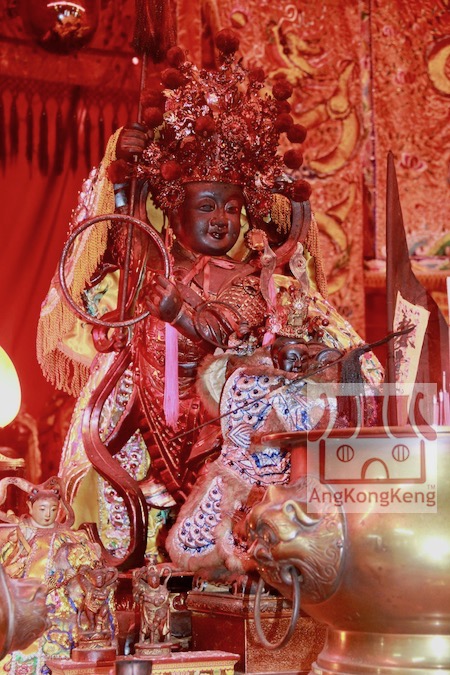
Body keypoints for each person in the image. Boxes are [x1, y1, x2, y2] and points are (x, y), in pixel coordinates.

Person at [38, 29, 381, 570]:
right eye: (206, 207)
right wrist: (123, 182)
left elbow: (230, 330)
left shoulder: (258, 280)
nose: (222, 220)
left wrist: (179, 312)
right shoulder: (151, 264)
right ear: (174, 211)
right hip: (146, 419)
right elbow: (115, 248)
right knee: (113, 492)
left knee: (227, 518)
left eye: (231, 209)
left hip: (221, 431)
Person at [0, 477, 103, 674]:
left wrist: (63, 579)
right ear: (30, 507)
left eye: (53, 509)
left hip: (59, 608)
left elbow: (87, 570)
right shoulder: (19, 537)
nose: (48, 514)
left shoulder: (70, 538)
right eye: (42, 509)